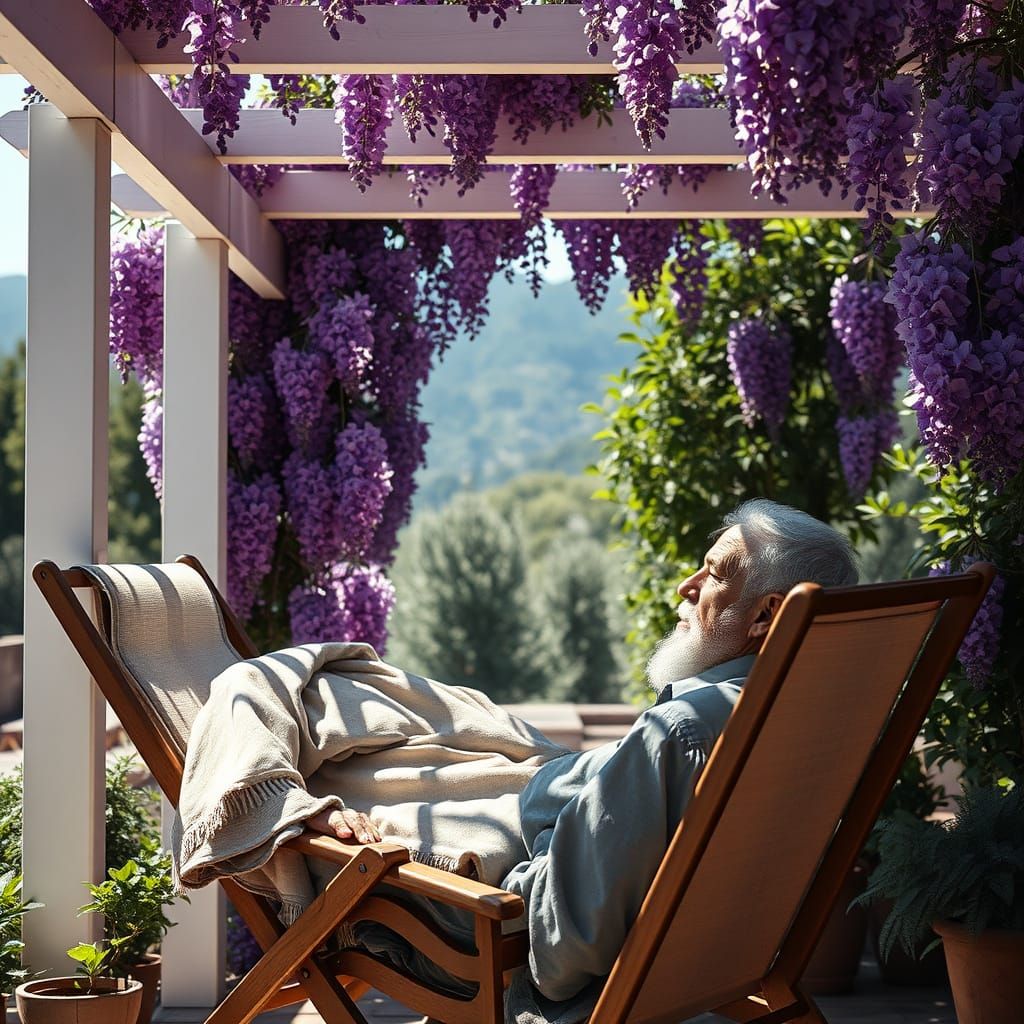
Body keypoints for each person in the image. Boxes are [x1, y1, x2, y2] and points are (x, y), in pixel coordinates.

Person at [302, 498, 859, 1023]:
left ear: (765, 615)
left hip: (492, 931)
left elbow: (563, 952)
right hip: (708, 955)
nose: (685, 588)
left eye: (713, 573)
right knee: (406, 730)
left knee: (335, 778)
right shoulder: (817, 719)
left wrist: (530, 851)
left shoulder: (679, 733)